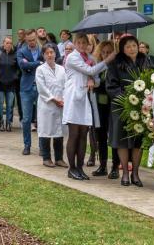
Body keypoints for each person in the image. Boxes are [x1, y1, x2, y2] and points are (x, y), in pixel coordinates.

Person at [63, 33, 113, 181]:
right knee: (74, 134)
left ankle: (80, 168)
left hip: (85, 99)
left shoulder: (90, 59)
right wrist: (109, 59)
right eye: (79, 43)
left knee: (83, 134)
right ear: (74, 44)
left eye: (84, 43)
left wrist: (92, 81)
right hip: (74, 97)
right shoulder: (73, 57)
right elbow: (90, 71)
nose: (82, 45)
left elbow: (96, 80)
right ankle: (71, 168)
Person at [106, 35, 149, 187]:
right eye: (128, 46)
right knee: (122, 140)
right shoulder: (115, 64)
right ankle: (124, 172)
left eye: (134, 45)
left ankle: (135, 173)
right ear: (123, 49)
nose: (132, 49)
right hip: (121, 106)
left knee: (138, 141)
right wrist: (127, 98)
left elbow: (152, 81)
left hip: (142, 107)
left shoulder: (146, 61)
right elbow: (111, 86)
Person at [35, 43, 66, 168]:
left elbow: (66, 85)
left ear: (55, 53)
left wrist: (63, 100)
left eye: (51, 52)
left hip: (60, 105)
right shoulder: (40, 69)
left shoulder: (62, 69)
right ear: (43, 55)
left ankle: (59, 158)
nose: (49, 55)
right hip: (47, 105)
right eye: (47, 53)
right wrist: (54, 99)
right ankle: (46, 158)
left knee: (59, 132)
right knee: (46, 131)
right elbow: (42, 88)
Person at [90, 40, 117, 178]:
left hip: (113, 106)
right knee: (100, 136)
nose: (106, 55)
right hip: (99, 106)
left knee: (114, 137)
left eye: (109, 52)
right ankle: (102, 165)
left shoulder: (117, 66)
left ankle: (115, 167)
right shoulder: (97, 67)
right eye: (104, 52)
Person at [16, 29, 42, 155]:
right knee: (26, 119)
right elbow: (23, 66)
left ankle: (43, 147)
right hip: (26, 88)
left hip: (42, 87)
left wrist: (30, 64)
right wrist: (39, 63)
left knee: (42, 118)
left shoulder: (43, 49)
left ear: (36, 37)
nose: (32, 42)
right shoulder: (21, 51)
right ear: (25, 40)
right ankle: (27, 145)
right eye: (29, 40)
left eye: (33, 39)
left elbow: (49, 63)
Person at [0, 36, 18, 132]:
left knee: (10, 105)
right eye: (7, 43)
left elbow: (19, 69)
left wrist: (15, 76)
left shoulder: (15, 55)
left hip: (11, 84)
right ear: (3, 44)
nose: (8, 45)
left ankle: (9, 123)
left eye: (10, 43)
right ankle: (1, 123)